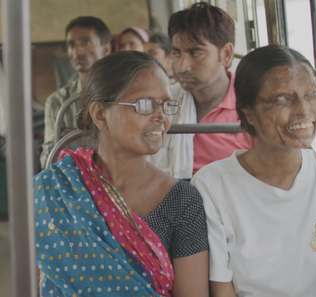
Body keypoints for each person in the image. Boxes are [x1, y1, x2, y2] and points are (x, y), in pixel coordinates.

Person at [191, 45, 316, 297]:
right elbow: (222, 288)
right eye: (282, 98)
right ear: (248, 113)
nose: (303, 110)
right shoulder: (212, 186)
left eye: (310, 94)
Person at [34, 51, 210, 297]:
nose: (161, 117)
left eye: (166, 104)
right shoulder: (56, 189)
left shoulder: (182, 200)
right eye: (145, 104)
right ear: (99, 114)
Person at [147, 2, 254, 179]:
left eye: (196, 53)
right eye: (176, 54)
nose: (182, 66)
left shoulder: (251, 108)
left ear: (226, 54)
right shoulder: (163, 103)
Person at [40, 16, 112, 169]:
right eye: (71, 45)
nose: (77, 51)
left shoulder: (120, 95)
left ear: (105, 49)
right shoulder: (57, 101)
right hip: (71, 184)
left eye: (86, 42)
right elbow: (48, 157)